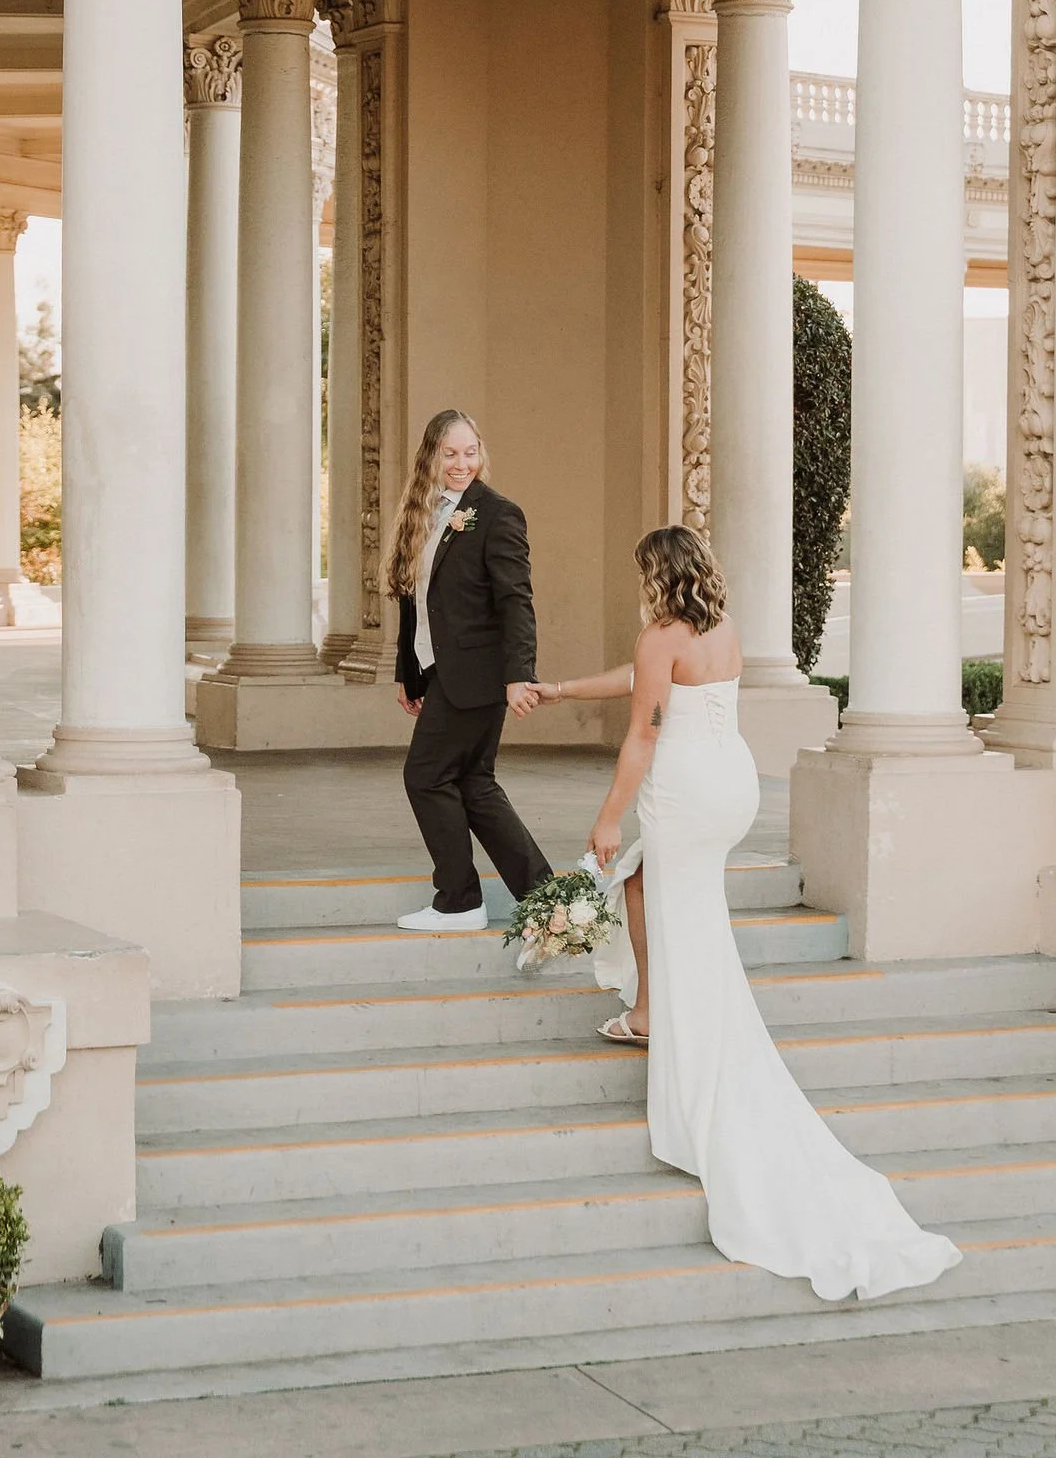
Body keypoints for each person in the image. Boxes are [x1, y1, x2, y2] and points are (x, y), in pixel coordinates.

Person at [536, 525, 962, 1304]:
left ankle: (686, 1040)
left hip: (684, 787)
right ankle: (648, 1010)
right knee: (647, 891)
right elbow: (641, 679)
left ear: (655, 576)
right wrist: (560, 690)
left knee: (675, 910)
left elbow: (641, 730)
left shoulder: (660, 634)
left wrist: (607, 817)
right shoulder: (718, 628)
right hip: (731, 782)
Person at [388, 407, 551, 934]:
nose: (462, 464)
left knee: (427, 775)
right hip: (441, 674)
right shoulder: (425, 512)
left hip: (480, 674)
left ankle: (458, 901)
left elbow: (515, 601)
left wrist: (519, 674)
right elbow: (414, 603)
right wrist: (410, 674)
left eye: (470, 452)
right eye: (450, 453)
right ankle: (547, 900)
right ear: (432, 455)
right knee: (474, 784)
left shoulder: (498, 513)